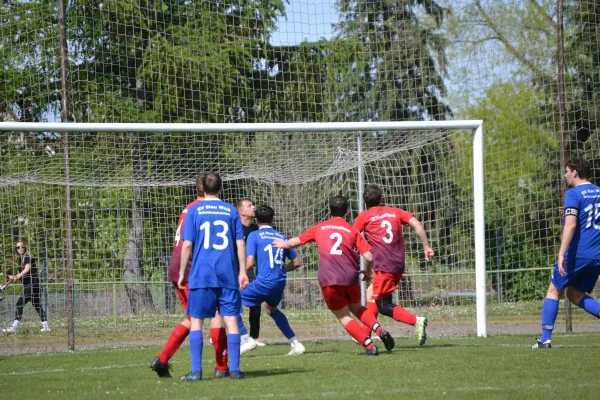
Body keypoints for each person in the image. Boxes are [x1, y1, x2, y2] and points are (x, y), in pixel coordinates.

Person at [274, 195, 394, 356]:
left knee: (344, 316)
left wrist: (283, 244)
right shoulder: (352, 230)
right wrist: (367, 271)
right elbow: (369, 256)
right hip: (350, 277)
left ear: (329, 210)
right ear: (347, 211)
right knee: (357, 308)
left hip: (329, 278)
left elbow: (296, 241)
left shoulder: (320, 227)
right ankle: (380, 330)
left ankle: (369, 345)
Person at [150, 173, 230, 378]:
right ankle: (221, 367)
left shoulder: (189, 208)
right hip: (193, 270)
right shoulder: (204, 210)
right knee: (214, 313)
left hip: (179, 267)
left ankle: (162, 360)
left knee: (194, 317)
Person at [179, 172, 249, 381]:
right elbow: (240, 243)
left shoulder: (194, 210)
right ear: (221, 187)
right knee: (231, 320)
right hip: (227, 273)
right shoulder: (230, 210)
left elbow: (187, 244)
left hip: (202, 273)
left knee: (197, 321)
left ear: (202, 187)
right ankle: (234, 370)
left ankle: (196, 371)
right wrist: (243, 271)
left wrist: (183, 272)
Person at [353, 185, 433, 346]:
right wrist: (426, 246)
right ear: (381, 200)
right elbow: (417, 225)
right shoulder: (395, 211)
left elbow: (352, 236)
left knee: (383, 306)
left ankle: (416, 321)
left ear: (365, 202)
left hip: (384, 266)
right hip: (398, 264)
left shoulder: (364, 216)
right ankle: (364, 335)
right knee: (371, 294)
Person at [533, 158, 600, 348]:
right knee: (574, 293)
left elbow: (570, 224)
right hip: (597, 255)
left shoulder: (573, 194)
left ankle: (545, 339)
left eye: (567, 171)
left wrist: (561, 253)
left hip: (578, 253)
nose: (565, 175)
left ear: (575, 172)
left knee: (554, 290)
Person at [237, 205, 305, 355]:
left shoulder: (254, 236)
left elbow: (249, 263)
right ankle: (295, 343)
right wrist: (281, 270)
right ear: (273, 219)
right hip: (279, 282)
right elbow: (297, 262)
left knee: (228, 300)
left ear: (256, 220)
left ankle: (245, 338)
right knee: (270, 308)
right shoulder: (281, 237)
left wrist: (239, 275)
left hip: (264, 282)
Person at [236, 198, 264, 347]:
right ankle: (231, 335)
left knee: (256, 303)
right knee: (232, 303)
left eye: (253, 204)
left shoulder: (255, 230)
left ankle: (253, 337)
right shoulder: (234, 228)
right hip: (233, 271)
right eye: (249, 205)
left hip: (249, 271)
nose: (254, 207)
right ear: (242, 211)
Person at [3, 241, 49, 333]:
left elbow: (27, 270)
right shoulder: (21, 259)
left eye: (22, 247)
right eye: (18, 247)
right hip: (33, 285)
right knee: (37, 305)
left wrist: (18, 276)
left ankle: (13, 328)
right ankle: (46, 327)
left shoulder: (27, 256)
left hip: (32, 284)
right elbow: (22, 275)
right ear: (16, 249)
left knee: (19, 304)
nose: (20, 249)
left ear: (25, 248)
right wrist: (13, 277)